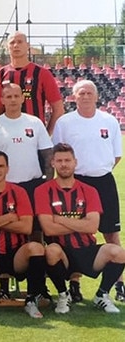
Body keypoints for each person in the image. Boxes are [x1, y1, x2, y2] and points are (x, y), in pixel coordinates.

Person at [52, 80, 123, 302]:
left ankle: (119, 284)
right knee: (76, 233)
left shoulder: (109, 121)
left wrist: (98, 171)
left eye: (89, 92)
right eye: (81, 93)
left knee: (111, 233)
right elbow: (58, 153)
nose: (85, 96)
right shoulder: (65, 122)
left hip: (103, 181)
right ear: (73, 96)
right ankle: (74, 284)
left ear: (96, 96)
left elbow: (116, 155)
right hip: (76, 183)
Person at [36, 143, 125, 314]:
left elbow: (92, 226)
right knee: (51, 250)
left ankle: (102, 295)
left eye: (67, 160)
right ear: (53, 163)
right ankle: (64, 295)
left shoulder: (89, 190)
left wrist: (60, 219)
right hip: (62, 252)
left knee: (119, 252)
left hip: (87, 249)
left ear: (75, 162)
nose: (64, 164)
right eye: (59, 160)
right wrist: (79, 223)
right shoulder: (43, 191)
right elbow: (49, 229)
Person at [0, 150, 47, 319]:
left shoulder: (19, 192)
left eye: (1, 166)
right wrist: (9, 217)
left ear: (7, 168)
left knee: (36, 247)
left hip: (16, 254)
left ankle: (31, 300)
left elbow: (26, 227)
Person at [0, 31, 63, 134]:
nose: (16, 45)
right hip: (6, 135)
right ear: (7, 47)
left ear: (27, 46)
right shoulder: (0, 74)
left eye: (20, 42)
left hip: (34, 135)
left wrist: (47, 133)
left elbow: (58, 108)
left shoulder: (42, 73)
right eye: (12, 42)